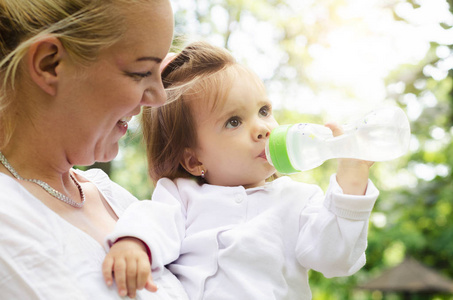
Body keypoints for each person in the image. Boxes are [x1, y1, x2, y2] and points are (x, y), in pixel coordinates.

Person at [103, 41, 379, 299]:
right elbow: (153, 221)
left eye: (264, 111)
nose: (262, 129)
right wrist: (133, 243)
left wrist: (352, 184)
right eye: (234, 121)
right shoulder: (181, 196)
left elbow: (337, 259)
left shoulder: (297, 200)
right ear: (194, 161)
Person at [0, 0, 189, 299]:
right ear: (50, 64)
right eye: (141, 72)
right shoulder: (8, 217)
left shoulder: (112, 196)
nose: (159, 97)